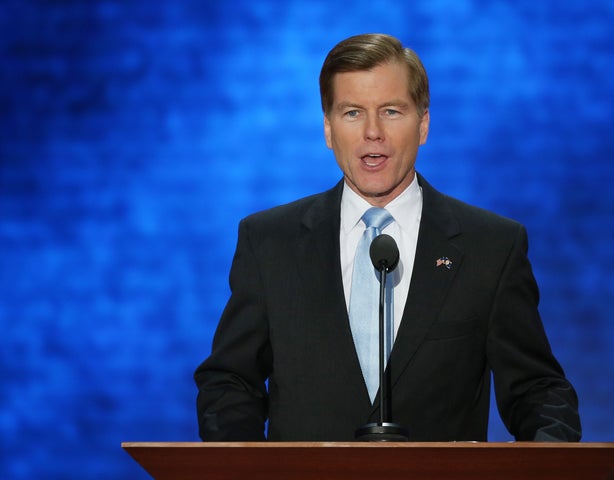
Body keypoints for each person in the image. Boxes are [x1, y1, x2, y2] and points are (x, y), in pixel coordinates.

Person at [194, 33, 581, 442]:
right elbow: (230, 383)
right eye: (352, 113)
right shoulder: (268, 242)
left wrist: (551, 455)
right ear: (328, 129)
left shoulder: (491, 247)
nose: (372, 132)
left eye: (392, 111)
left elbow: (537, 392)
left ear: (424, 124)